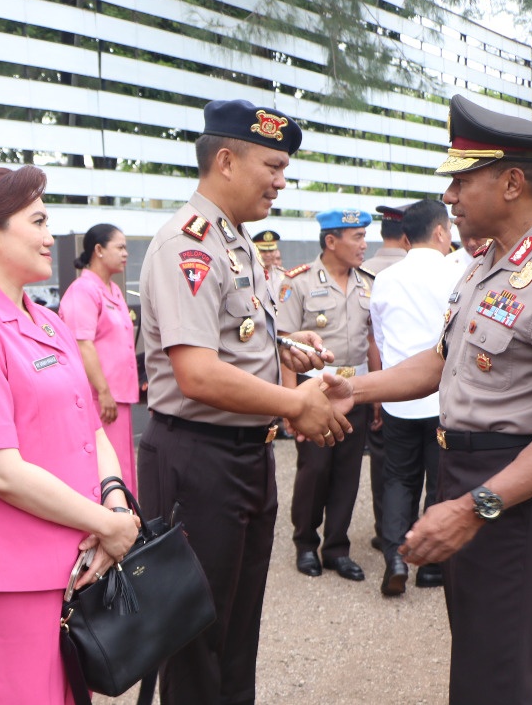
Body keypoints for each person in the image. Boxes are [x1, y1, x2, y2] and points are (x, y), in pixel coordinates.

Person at [325, 94, 532, 704]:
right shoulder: (487, 262)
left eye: (463, 179)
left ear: (511, 182)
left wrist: (472, 507)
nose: (451, 197)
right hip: (474, 479)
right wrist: (350, 388)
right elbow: (441, 361)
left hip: (517, 497)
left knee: (498, 683)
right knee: (480, 671)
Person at [137, 99, 349, 704]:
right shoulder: (190, 244)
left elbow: (229, 338)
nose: (282, 182)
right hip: (198, 459)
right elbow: (197, 373)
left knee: (236, 631)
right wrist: (293, 404)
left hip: (243, 456)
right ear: (225, 160)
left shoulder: (237, 242)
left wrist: (284, 343)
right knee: (196, 638)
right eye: (274, 166)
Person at [0, 165, 139, 705]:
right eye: (37, 221)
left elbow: (93, 426)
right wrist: (107, 526)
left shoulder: (46, 320)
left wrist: (113, 499)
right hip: (12, 575)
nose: (50, 236)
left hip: (75, 559)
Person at [277, 209, 380, 582]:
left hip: (356, 392)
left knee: (348, 473)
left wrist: (378, 396)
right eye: (357, 237)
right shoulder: (298, 283)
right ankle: (306, 543)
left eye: (365, 237)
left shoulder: (368, 282)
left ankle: (336, 548)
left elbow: (372, 341)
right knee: (315, 469)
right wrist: (290, 402)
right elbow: (285, 345)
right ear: (331, 241)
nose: (364, 244)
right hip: (316, 391)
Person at [368, 199, 461, 595]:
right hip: (444, 398)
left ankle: (395, 555)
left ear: (406, 237)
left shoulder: (386, 278)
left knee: (397, 478)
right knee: (439, 481)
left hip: (399, 397)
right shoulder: (461, 272)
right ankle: (431, 564)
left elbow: (382, 339)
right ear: (441, 232)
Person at [58, 223, 140, 493]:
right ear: (98, 250)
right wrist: (103, 391)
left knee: (123, 464)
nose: (126, 253)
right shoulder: (84, 290)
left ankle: (130, 524)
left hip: (119, 395)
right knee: (107, 469)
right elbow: (83, 344)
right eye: (120, 247)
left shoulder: (113, 290)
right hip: (99, 398)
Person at [360, 201, 410, 552]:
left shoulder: (360, 271)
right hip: (423, 384)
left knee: (387, 465)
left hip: (373, 383)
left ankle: (386, 532)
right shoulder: (436, 269)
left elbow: (369, 340)